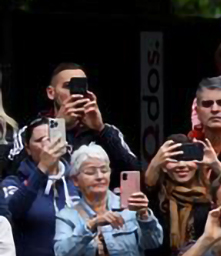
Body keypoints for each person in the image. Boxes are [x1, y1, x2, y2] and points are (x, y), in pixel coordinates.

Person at [54, 144, 162, 256]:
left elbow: (154, 243)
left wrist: (144, 215)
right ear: (75, 180)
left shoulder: (129, 208)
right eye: (90, 172)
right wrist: (91, 225)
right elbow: (62, 254)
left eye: (104, 170)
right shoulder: (67, 215)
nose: (99, 176)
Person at [1, 118, 77, 256]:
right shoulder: (13, 182)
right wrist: (42, 170)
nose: (47, 144)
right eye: (40, 140)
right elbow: (13, 211)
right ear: (27, 148)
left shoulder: (75, 182)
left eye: (51, 138)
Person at [12, 63, 141, 177]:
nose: (74, 93)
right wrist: (57, 126)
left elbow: (133, 172)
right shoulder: (31, 131)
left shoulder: (106, 130)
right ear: (51, 93)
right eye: (68, 86)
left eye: (80, 86)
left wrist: (101, 130)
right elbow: (13, 170)